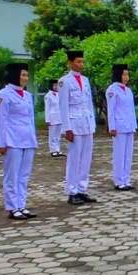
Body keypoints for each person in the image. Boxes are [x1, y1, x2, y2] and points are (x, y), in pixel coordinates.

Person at [0, 63, 38, 220]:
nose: (25, 78)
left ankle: (21, 204)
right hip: (12, 140)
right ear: (14, 75)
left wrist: (34, 139)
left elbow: (31, 119)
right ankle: (12, 207)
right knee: (12, 175)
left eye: (27, 75)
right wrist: (1, 143)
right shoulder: (4, 94)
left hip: (27, 139)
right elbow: (2, 120)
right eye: (23, 75)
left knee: (24, 175)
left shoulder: (27, 95)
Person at [57, 50, 98, 205]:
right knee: (74, 159)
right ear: (70, 63)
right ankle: (72, 191)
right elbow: (63, 106)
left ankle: (82, 189)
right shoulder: (64, 81)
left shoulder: (85, 80)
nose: (81, 64)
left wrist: (93, 123)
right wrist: (67, 128)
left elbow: (88, 103)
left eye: (82, 61)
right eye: (78, 61)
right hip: (74, 125)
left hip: (87, 124)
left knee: (86, 159)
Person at [106, 64, 138, 191]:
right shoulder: (112, 90)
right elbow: (111, 110)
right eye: (124, 74)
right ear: (118, 75)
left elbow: (131, 110)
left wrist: (134, 125)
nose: (126, 77)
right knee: (119, 154)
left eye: (127, 74)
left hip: (129, 125)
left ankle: (126, 179)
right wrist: (112, 126)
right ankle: (119, 181)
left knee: (128, 155)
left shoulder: (128, 90)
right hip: (119, 126)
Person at [44, 79, 63, 157]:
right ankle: (52, 150)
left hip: (59, 117)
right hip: (52, 118)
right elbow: (47, 108)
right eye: (54, 85)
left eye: (57, 85)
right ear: (51, 86)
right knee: (52, 135)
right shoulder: (48, 96)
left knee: (58, 135)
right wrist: (47, 119)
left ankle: (57, 149)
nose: (56, 87)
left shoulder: (60, 94)